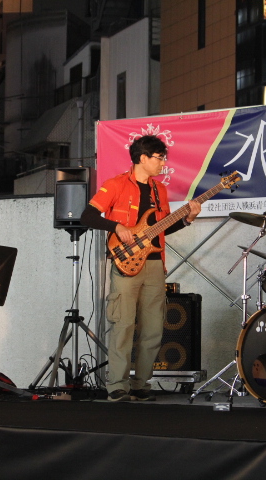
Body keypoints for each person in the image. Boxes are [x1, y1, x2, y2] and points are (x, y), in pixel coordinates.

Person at [81, 135, 201, 402]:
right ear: (143, 158)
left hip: (155, 264)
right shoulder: (115, 184)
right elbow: (87, 216)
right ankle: (117, 386)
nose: (163, 163)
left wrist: (188, 218)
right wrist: (116, 226)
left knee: (154, 328)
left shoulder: (160, 190)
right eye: (159, 158)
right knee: (123, 325)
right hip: (125, 263)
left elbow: (163, 228)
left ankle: (140, 384)